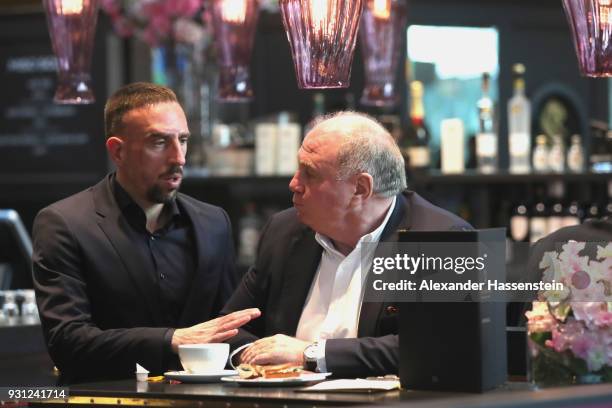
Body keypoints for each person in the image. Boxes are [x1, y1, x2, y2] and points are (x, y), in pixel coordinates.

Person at [32, 82, 260, 383]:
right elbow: (68, 341)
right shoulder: (64, 224)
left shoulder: (213, 222)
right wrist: (172, 340)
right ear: (118, 151)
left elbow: (231, 325)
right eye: (159, 142)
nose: (178, 157)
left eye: (183, 140)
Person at [221, 111, 472, 377]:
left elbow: (434, 346)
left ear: (361, 188)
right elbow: (229, 329)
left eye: (310, 174)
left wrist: (311, 354)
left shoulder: (441, 239)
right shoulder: (284, 232)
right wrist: (256, 362)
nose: (294, 183)